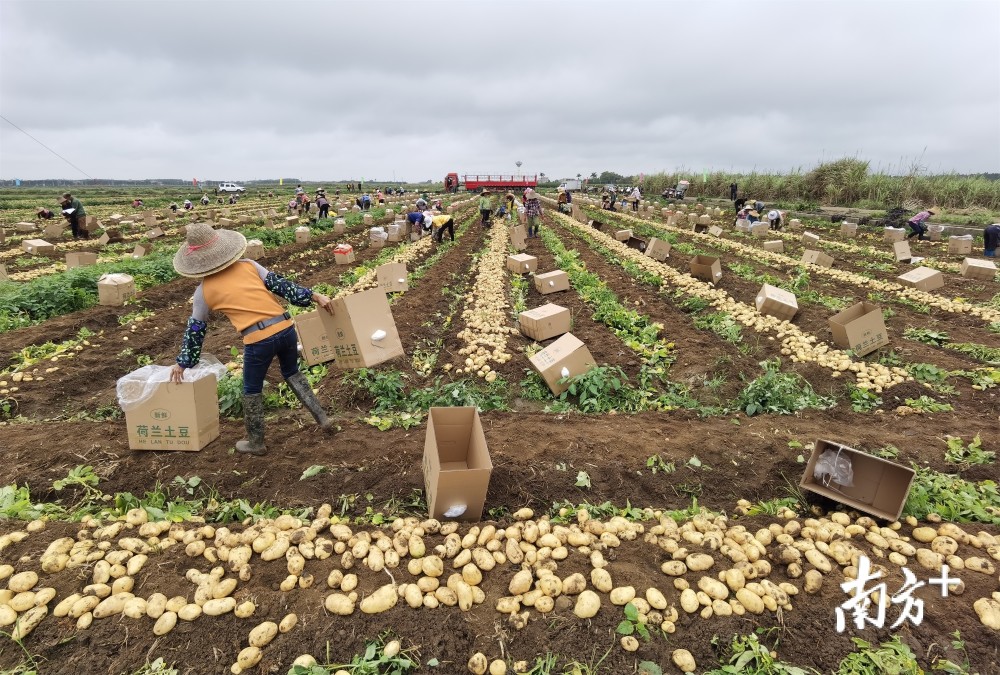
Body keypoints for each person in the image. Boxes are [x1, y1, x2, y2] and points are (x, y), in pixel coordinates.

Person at [169, 223, 334, 456]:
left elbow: (196, 330)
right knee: (292, 373)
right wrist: (313, 295)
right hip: (286, 328)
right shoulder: (249, 265)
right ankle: (323, 418)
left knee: (251, 389)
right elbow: (282, 286)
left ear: (197, 262)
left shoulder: (202, 293)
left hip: (258, 340)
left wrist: (183, 362)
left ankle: (256, 443)